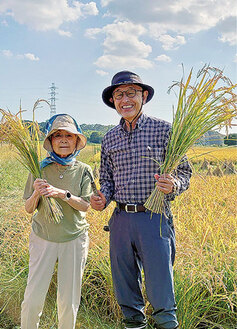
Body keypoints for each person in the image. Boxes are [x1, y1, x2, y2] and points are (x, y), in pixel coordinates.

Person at [90, 71, 192, 329]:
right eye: (118, 94)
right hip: (121, 221)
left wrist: (173, 185)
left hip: (154, 219)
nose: (125, 99)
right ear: (113, 101)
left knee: (161, 289)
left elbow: (184, 172)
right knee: (125, 288)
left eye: (131, 93)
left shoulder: (165, 130)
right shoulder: (109, 138)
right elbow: (108, 180)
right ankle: (133, 323)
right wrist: (103, 197)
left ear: (143, 96)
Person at [21, 114, 93, 329]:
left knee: (68, 301)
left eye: (68, 136)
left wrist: (63, 194)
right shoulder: (39, 169)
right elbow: (28, 208)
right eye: (57, 135)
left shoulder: (84, 170)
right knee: (33, 298)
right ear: (50, 142)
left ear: (76, 141)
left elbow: (86, 205)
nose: (63, 140)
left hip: (74, 239)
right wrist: (36, 194)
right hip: (43, 238)